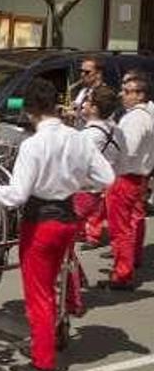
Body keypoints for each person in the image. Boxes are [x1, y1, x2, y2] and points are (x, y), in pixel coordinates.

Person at [0, 79, 114, 371]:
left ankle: (44, 363)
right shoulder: (79, 138)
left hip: (41, 222)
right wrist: (74, 182)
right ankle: (46, 342)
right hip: (68, 218)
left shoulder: (33, 145)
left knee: (38, 296)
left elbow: (16, 196)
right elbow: (106, 177)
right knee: (54, 285)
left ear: (30, 111)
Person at [65, 85, 125, 317]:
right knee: (67, 243)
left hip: (81, 193)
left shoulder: (89, 135)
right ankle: (77, 280)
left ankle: (73, 300)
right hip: (96, 193)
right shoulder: (115, 130)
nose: (83, 105)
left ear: (95, 108)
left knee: (62, 248)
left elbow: (73, 165)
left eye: (87, 102)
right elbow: (120, 160)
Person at [102, 75, 154, 290]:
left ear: (139, 94)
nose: (122, 94)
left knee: (120, 228)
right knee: (135, 220)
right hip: (139, 175)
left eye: (127, 91)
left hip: (125, 176)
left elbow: (127, 149)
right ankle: (133, 259)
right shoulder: (148, 115)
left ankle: (122, 273)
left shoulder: (134, 119)